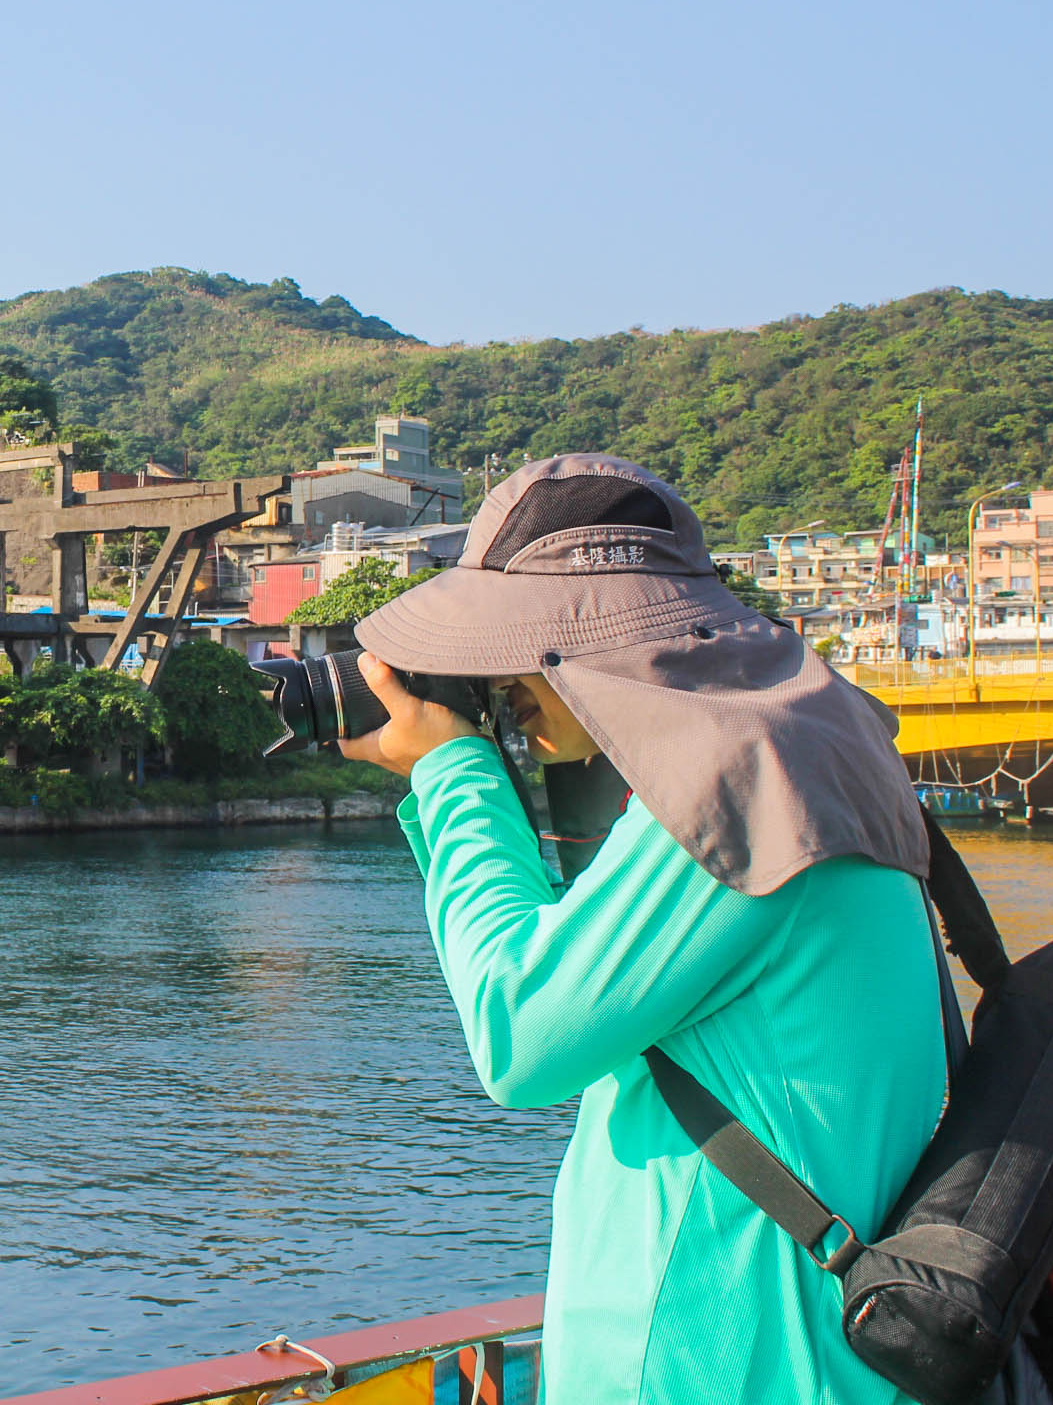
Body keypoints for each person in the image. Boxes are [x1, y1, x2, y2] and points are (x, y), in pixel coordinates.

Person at [339, 454, 943, 1404]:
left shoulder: (736, 776)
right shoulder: (820, 736)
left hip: (726, 1362)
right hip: (837, 1358)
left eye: (519, 653)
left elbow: (519, 1033)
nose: (503, 680)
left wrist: (453, 770)